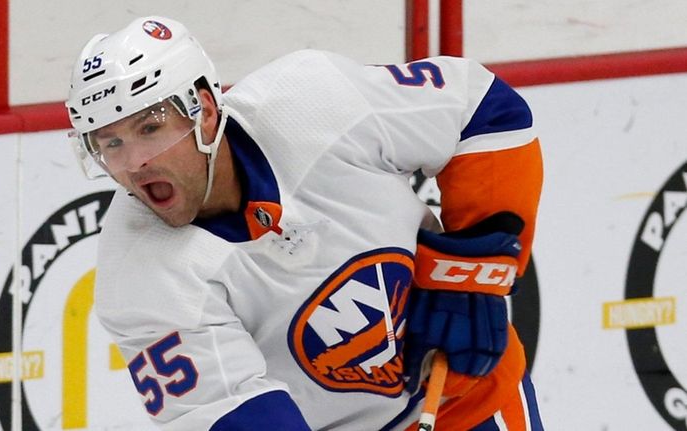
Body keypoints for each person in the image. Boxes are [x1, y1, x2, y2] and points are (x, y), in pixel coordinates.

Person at [66, 15, 544, 431]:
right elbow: (239, 416)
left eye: (150, 128)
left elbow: (484, 110)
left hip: (471, 401)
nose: (134, 164)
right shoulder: (140, 277)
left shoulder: (315, 101)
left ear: (205, 111)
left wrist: (474, 276)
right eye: (110, 144)